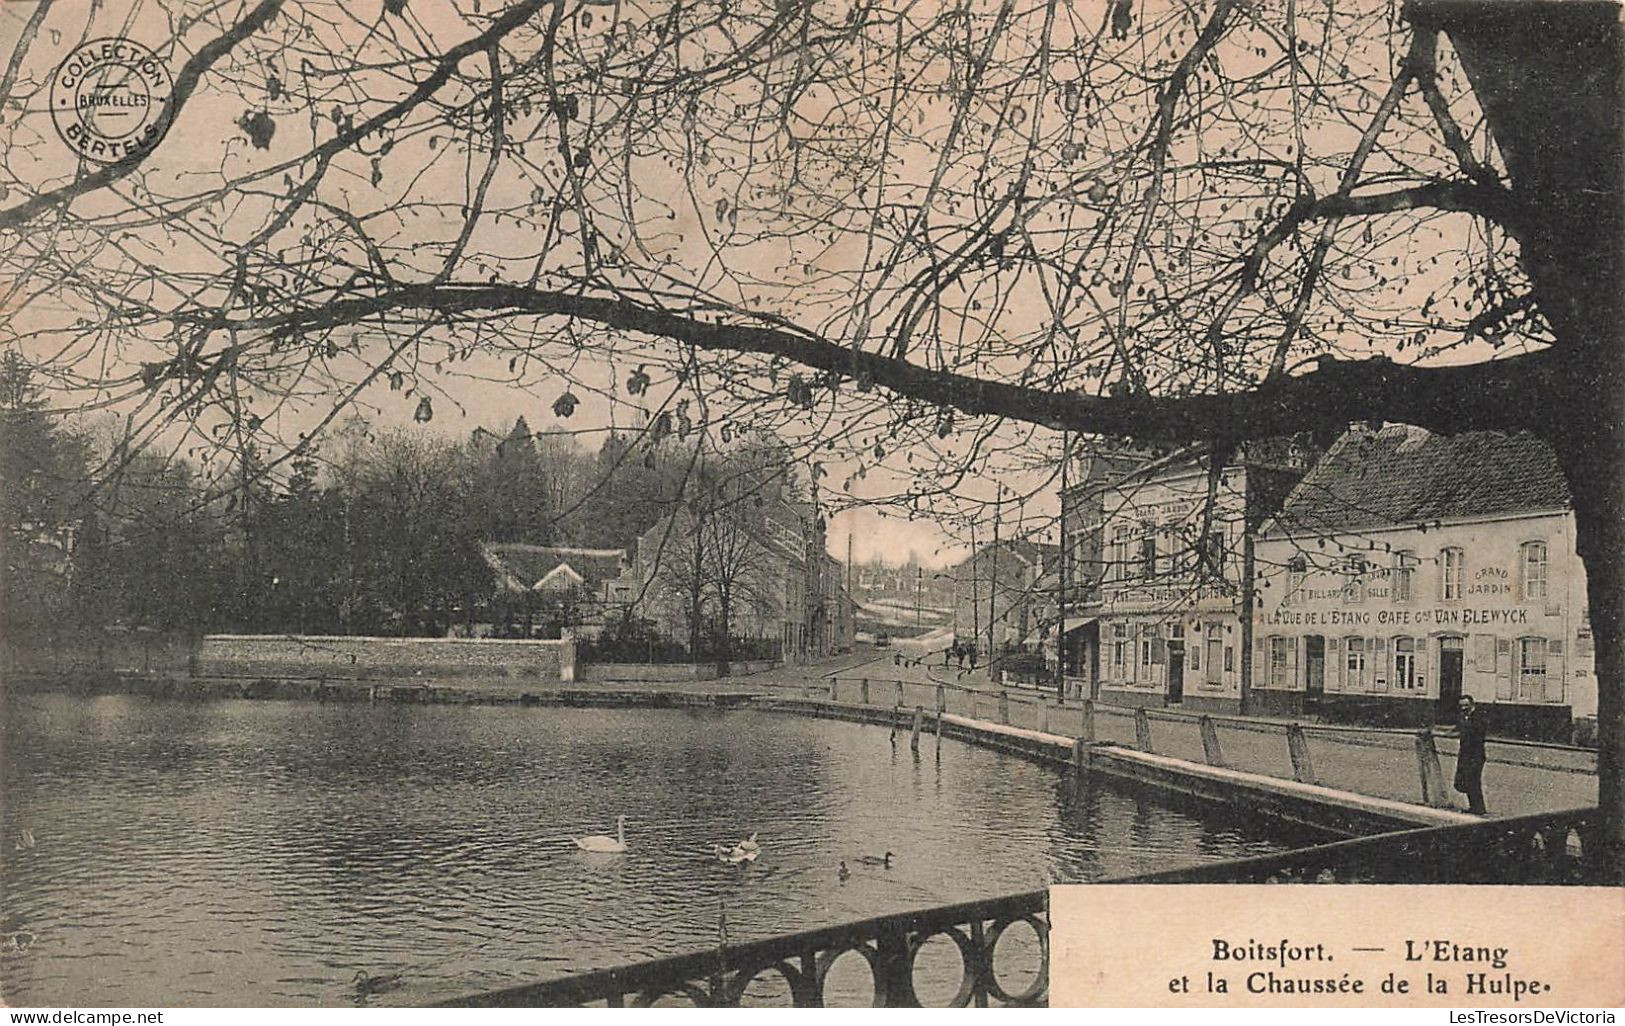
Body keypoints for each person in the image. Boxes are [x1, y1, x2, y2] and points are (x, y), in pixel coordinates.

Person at [1453, 695, 1489, 815]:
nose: (1463, 708)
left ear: (1472, 705)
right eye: (1461, 706)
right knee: (1464, 780)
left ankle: (1479, 808)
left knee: (1473, 780)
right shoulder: (1463, 716)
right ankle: (1473, 806)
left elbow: (1477, 733)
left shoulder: (1478, 717)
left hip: (1476, 753)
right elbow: (1458, 729)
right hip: (1464, 752)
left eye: (1466, 706)